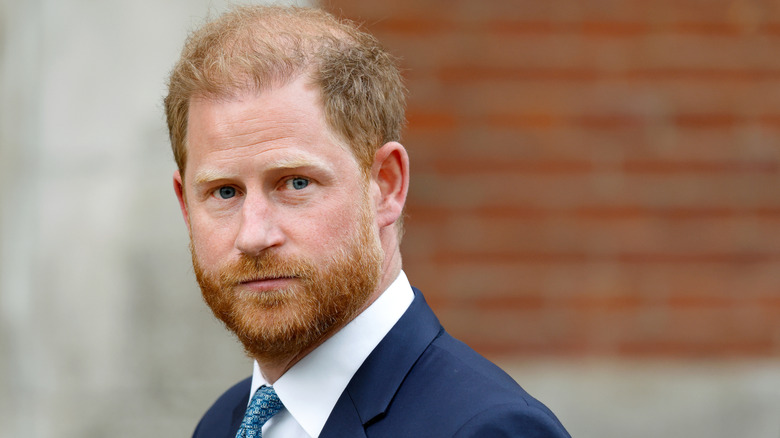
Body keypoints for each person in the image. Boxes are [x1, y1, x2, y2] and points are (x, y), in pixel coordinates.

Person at [164, 5, 570, 438]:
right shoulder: (219, 426)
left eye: (295, 183)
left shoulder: (488, 429)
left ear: (386, 185)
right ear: (186, 206)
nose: (253, 235)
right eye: (224, 192)